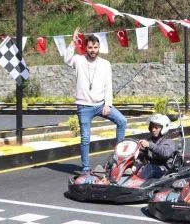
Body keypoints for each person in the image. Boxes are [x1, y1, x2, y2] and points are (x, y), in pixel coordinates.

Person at [65, 28, 127, 173]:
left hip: (101, 104)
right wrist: (73, 42)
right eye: (90, 47)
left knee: (122, 121)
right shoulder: (78, 60)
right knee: (85, 138)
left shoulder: (105, 64)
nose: (93, 50)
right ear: (85, 48)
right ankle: (86, 168)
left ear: (99, 48)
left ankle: (118, 159)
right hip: (84, 106)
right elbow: (66, 59)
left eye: (95, 47)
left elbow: (108, 85)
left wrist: (108, 104)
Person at [135, 113, 176, 179]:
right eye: (152, 127)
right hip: (150, 167)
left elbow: (165, 153)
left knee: (150, 168)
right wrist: (139, 149)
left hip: (163, 169)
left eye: (156, 127)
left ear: (163, 128)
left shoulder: (168, 141)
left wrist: (149, 145)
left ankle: (137, 184)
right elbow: (142, 154)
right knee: (134, 167)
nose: (153, 130)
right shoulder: (150, 139)